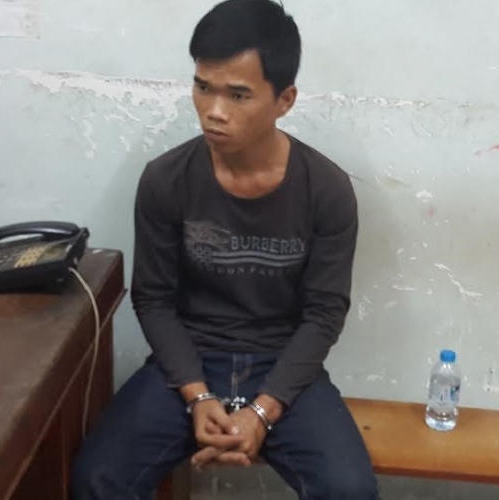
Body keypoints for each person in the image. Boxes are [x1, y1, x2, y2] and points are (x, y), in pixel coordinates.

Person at [71, 1, 378, 498]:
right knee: (98, 478)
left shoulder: (325, 188)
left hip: (282, 367)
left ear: (285, 99)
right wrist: (196, 395)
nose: (214, 111)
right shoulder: (166, 180)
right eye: (203, 87)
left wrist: (264, 410)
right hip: (189, 361)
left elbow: (324, 313)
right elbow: (153, 299)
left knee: (350, 490)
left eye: (238, 95)